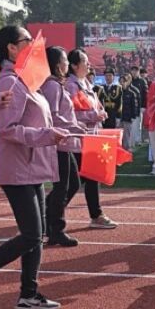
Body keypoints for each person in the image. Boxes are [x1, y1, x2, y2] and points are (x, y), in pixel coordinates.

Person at [0, 26, 67, 309]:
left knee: (36, 234)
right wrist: (45, 136)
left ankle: (29, 293)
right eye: (27, 41)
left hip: (31, 166)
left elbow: (39, 120)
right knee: (31, 235)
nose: (34, 46)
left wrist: (63, 130)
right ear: (12, 48)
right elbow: (7, 129)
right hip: (17, 168)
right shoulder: (10, 82)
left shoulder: (26, 80)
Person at [66, 50, 117, 229]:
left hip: (91, 138)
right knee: (74, 182)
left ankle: (96, 215)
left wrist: (100, 112)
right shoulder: (71, 86)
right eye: (85, 62)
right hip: (77, 140)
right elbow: (71, 114)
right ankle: (50, 212)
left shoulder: (86, 83)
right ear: (74, 65)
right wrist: (94, 115)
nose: (89, 65)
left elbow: (94, 106)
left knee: (92, 177)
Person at [42, 46, 84, 247]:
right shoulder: (52, 86)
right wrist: (73, 127)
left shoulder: (58, 85)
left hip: (65, 142)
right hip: (58, 143)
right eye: (65, 60)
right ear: (58, 65)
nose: (67, 64)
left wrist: (75, 126)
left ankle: (46, 217)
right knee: (62, 187)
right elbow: (52, 116)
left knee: (73, 183)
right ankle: (56, 228)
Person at [119, 74, 139, 152]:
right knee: (119, 135)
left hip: (127, 118)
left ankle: (126, 150)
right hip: (119, 117)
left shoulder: (131, 93)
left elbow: (134, 106)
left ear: (127, 82)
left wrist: (133, 116)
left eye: (123, 82)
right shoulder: (117, 92)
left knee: (126, 136)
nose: (122, 83)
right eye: (120, 82)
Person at [130, 65, 148, 146]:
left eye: (136, 70)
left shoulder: (142, 81)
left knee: (138, 124)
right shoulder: (129, 80)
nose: (134, 72)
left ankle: (138, 140)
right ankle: (131, 140)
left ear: (138, 72)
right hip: (130, 106)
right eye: (133, 70)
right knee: (131, 124)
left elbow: (145, 94)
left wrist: (144, 106)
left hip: (139, 106)